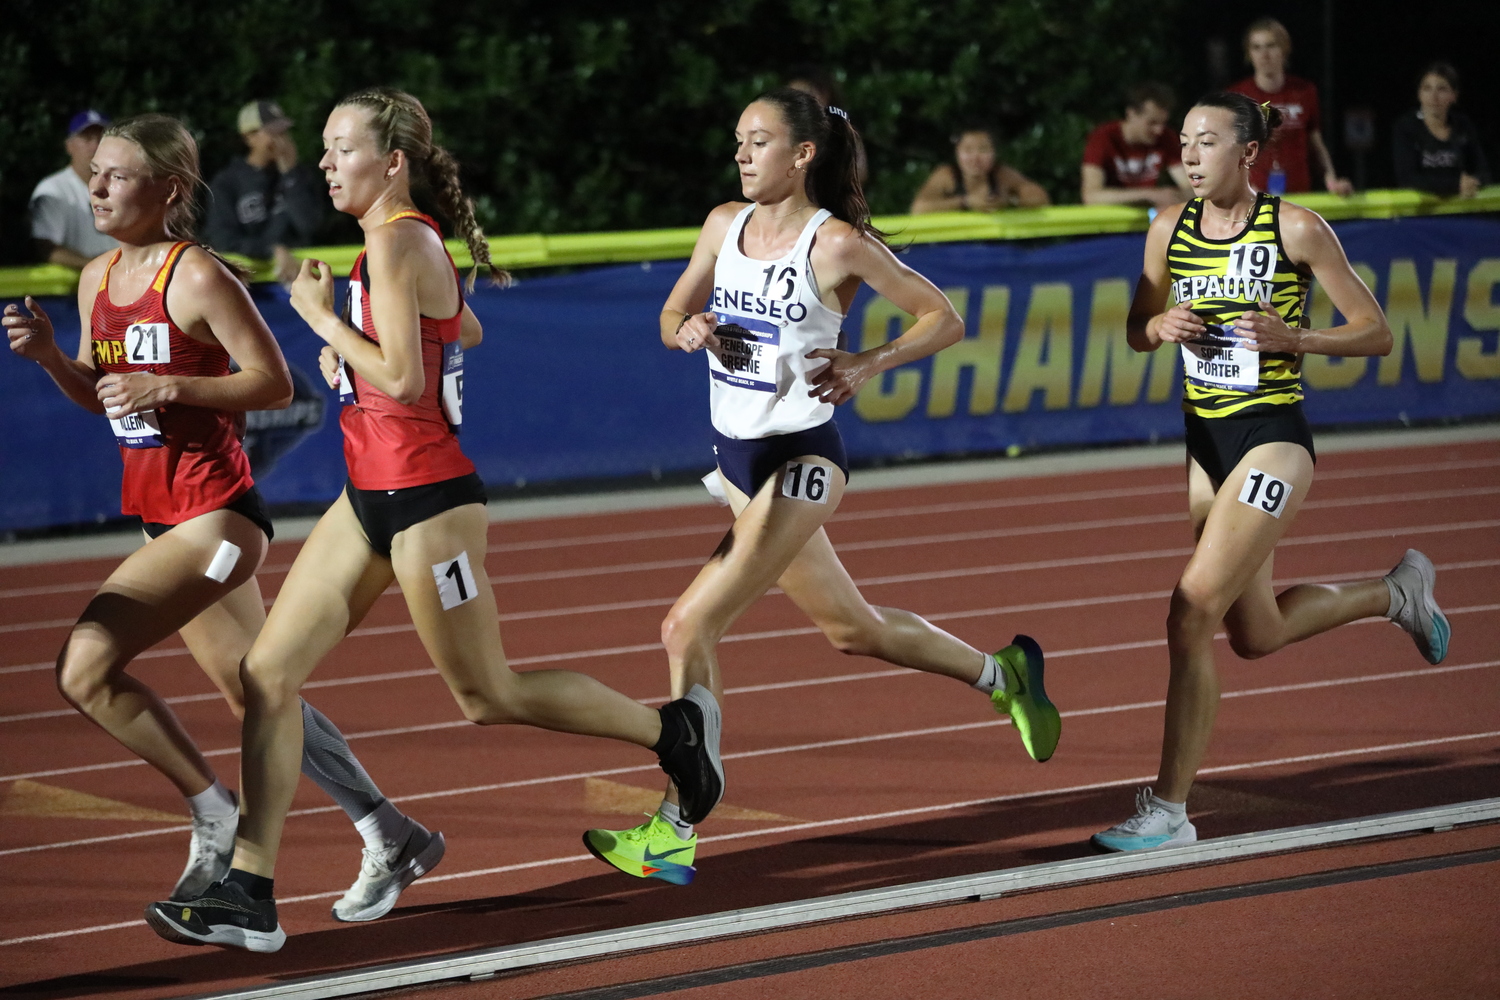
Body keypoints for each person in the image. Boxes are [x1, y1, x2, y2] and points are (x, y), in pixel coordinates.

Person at [146, 88, 724, 953]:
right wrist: (386, 327)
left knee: (486, 696)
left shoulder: (396, 238)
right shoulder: (397, 245)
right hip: (366, 498)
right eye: (326, 149)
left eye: (342, 150)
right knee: (267, 675)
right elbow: (468, 330)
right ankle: (250, 892)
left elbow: (407, 382)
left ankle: (673, 734)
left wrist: (323, 320)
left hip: (431, 505)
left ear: (392, 164)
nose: (326, 163)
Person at [581, 88, 1060, 887]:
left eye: (757, 141)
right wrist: (687, 328)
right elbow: (670, 312)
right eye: (737, 139)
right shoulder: (719, 224)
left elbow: (941, 317)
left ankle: (675, 827)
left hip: (803, 458)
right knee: (853, 629)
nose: (740, 154)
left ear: (802, 155)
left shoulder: (833, 243)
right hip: (736, 463)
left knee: (685, 626)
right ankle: (1000, 673)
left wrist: (867, 363)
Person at [3, 114, 429, 922]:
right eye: (93, 173)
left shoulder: (197, 278)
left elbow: (273, 383)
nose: (95, 188)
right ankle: (389, 830)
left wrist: (177, 387)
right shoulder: (95, 281)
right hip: (161, 518)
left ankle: (212, 811)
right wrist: (53, 360)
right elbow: (103, 396)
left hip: (219, 520)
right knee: (254, 693)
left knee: (84, 668)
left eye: (116, 175)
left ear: (168, 188)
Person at [1093, 92, 1449, 852]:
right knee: (1255, 632)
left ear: (1248, 153)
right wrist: (1159, 326)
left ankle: (1170, 808)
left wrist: (1297, 337)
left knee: (1190, 611)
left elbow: (1378, 334)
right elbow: (1136, 329)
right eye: (1183, 143)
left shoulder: (1294, 227)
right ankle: (1397, 593)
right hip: (1205, 443)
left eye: (1206, 142)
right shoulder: (1169, 229)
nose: (1187, 156)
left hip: (1273, 438)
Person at [201, 100, 327, 284]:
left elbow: (310, 225)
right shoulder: (227, 183)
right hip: (255, 286)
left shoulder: (299, 176)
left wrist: (290, 175)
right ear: (249, 137)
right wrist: (271, 250)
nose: (281, 140)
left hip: (303, 278)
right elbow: (222, 239)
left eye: (283, 132)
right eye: (273, 133)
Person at [1228, 18, 1352, 196]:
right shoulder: (1237, 96)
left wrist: (1332, 181)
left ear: (1284, 49)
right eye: (1256, 48)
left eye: (1271, 46)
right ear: (1249, 54)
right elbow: (1228, 150)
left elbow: (1315, 143)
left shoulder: (1304, 91)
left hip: (1299, 195)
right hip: (1254, 197)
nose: (1264, 54)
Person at [29, 110, 119, 268]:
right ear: (69, 146)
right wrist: (98, 268)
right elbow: (46, 248)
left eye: (101, 138)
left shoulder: (125, 186)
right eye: (87, 138)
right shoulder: (53, 190)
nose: (95, 145)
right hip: (73, 288)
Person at [1081, 83, 1193, 207]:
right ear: (1131, 114)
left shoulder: (1166, 137)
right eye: (1152, 123)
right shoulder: (1103, 137)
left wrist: (1171, 196)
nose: (1159, 130)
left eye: (1163, 123)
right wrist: (1151, 195)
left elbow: (1191, 187)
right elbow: (1091, 196)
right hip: (1109, 222)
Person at [1392, 61, 1491, 198]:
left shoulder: (1463, 125)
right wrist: (1455, 185)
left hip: (1462, 210)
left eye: (1442, 89)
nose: (1434, 96)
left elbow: (1483, 171)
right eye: (1427, 88)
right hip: (1420, 215)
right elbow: (1407, 179)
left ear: (1454, 96)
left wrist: (1473, 183)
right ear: (1419, 94)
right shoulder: (1406, 127)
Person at [910, 125, 1050, 213]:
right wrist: (965, 202)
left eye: (983, 150)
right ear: (957, 153)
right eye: (968, 150)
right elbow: (919, 208)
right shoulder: (947, 175)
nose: (975, 158)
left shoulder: (1001, 174)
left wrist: (1009, 201)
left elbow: (1040, 198)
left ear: (994, 153)